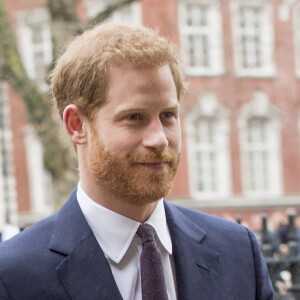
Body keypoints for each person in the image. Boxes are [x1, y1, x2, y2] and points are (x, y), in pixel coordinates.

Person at [0, 24, 273, 300]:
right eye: (134, 117)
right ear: (76, 125)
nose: (159, 139)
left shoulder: (238, 253)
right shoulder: (13, 277)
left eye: (167, 115)